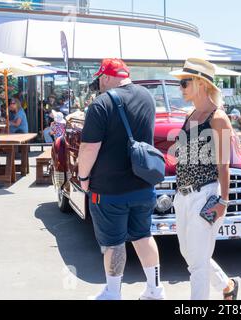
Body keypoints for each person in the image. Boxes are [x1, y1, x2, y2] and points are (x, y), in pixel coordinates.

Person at [78, 58, 165, 300]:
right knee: (143, 236)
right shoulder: (148, 98)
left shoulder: (101, 104)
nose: (99, 84)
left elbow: (88, 149)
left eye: (100, 79)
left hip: (109, 189)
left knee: (114, 243)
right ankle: (155, 290)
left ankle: (113, 293)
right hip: (143, 183)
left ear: (106, 77)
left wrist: (83, 177)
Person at [171, 58, 239, 300]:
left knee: (197, 265)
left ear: (200, 83)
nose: (181, 88)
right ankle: (226, 285)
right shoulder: (191, 115)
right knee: (190, 255)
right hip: (182, 195)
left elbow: (224, 164)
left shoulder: (217, 118)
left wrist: (223, 201)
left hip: (206, 194)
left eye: (184, 83)